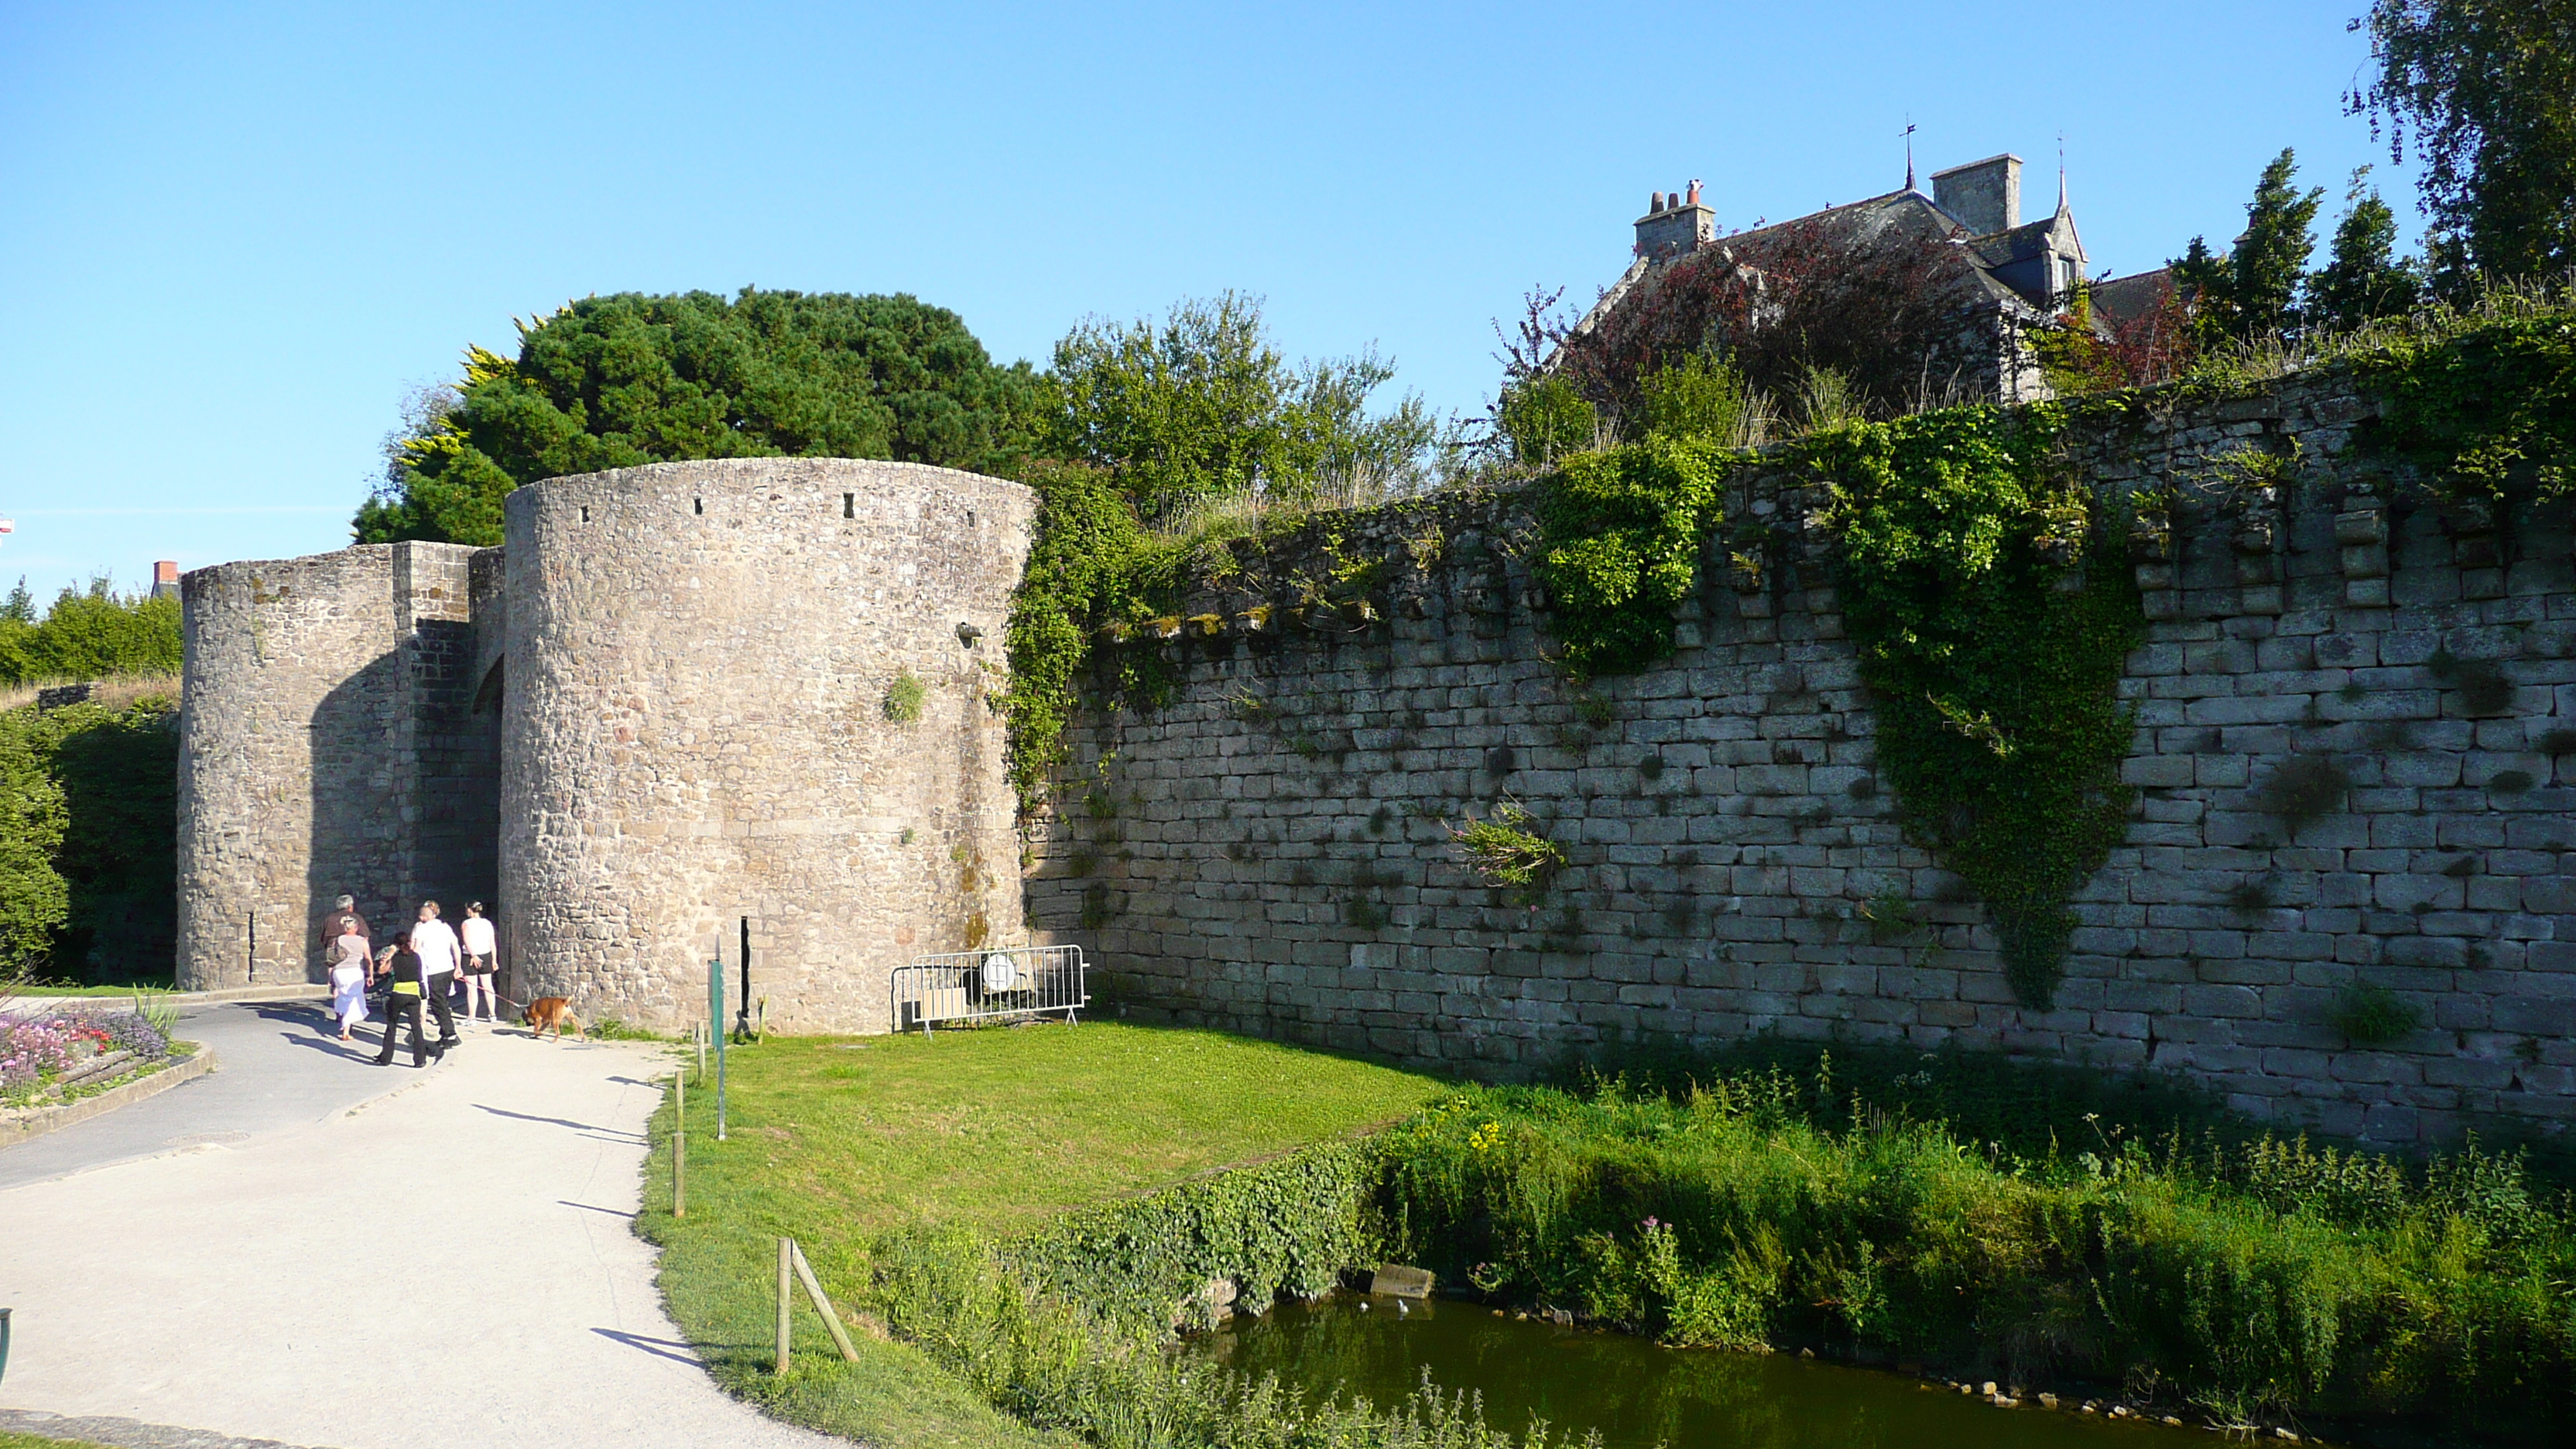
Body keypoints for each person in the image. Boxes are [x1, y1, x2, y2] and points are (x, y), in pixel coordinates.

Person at [409, 900, 463, 1056]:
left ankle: (450, 1034)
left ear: (422, 917)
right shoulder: (445, 927)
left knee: (438, 1005)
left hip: (433, 971)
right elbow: (456, 946)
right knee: (443, 1002)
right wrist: (458, 967)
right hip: (448, 968)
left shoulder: (422, 929)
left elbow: (415, 950)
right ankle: (445, 1034)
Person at [372, 929, 428, 1067]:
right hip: (414, 993)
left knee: (391, 1026)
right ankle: (420, 1060)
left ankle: (386, 1059)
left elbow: (381, 971)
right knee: (416, 1027)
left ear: (396, 944)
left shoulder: (396, 958)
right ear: (408, 942)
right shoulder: (416, 957)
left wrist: (389, 955)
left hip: (399, 993)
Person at [327, 917, 372, 1043]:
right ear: (356, 928)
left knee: (343, 994)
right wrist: (371, 975)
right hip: (355, 972)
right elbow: (368, 959)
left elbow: (331, 959)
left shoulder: (337, 940)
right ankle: (346, 1030)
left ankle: (341, 1013)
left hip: (340, 971)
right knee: (353, 998)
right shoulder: (362, 941)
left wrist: (330, 976)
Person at [457, 902, 498, 1025]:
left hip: (469, 956)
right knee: (488, 986)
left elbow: (467, 941)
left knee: (472, 988)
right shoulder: (487, 923)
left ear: (470, 910)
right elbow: (492, 943)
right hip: (486, 955)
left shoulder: (466, 924)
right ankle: (493, 1015)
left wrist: (473, 955)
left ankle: (472, 1017)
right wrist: (494, 960)